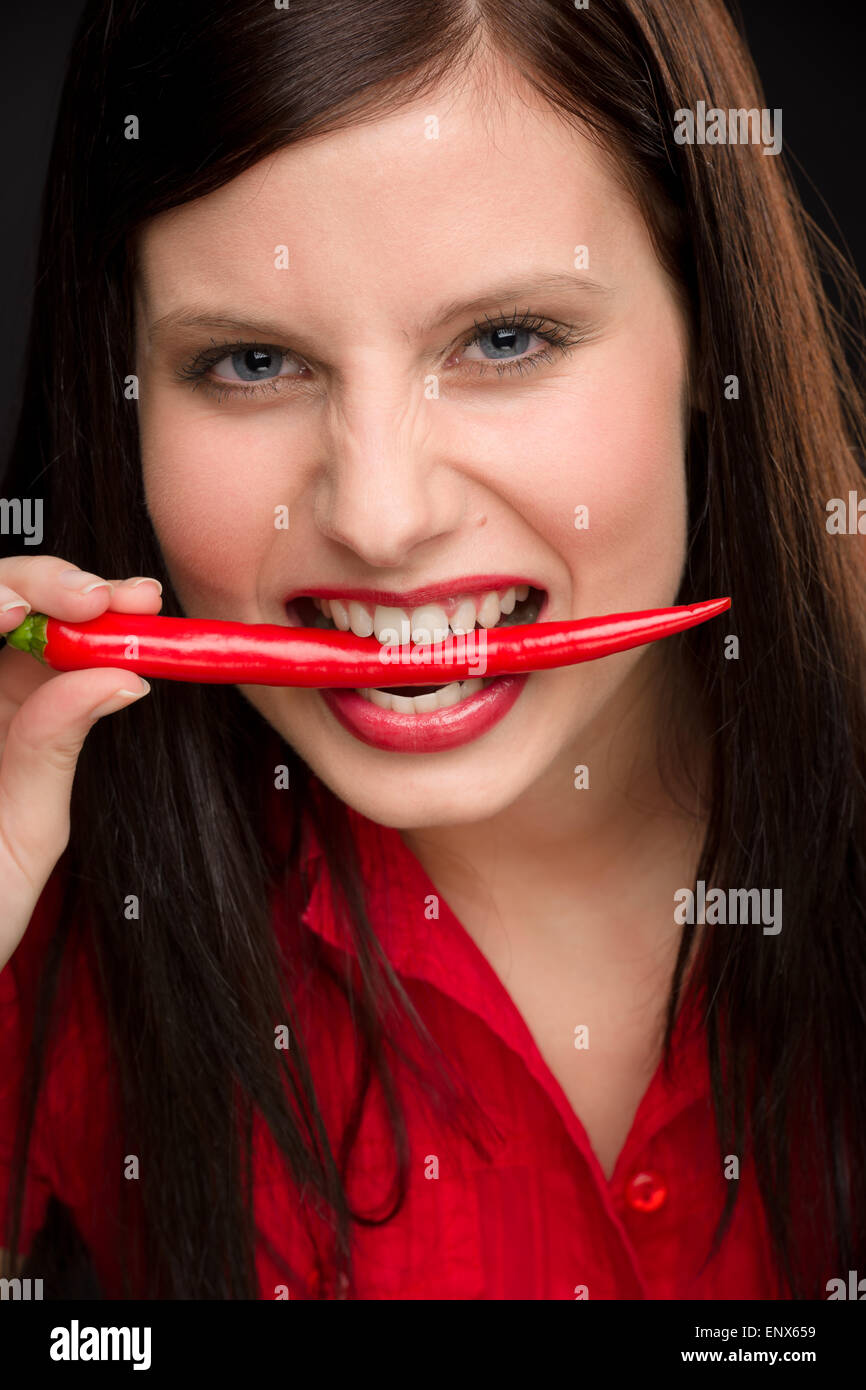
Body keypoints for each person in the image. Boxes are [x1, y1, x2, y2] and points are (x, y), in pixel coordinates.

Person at [1, 0, 864, 1300]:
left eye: (505, 340)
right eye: (248, 361)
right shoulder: (55, 923)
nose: (380, 519)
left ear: (706, 328)